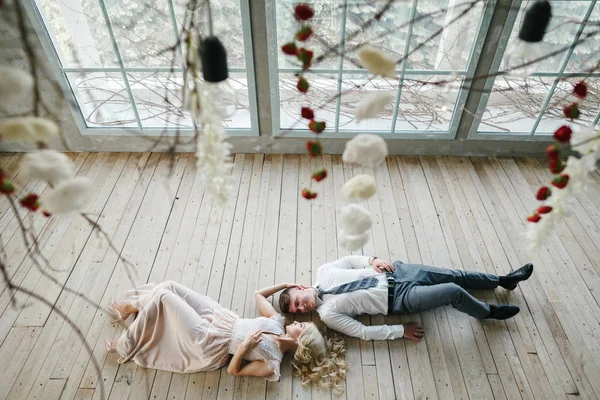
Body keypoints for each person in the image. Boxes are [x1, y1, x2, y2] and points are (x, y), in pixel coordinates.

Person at [104, 281, 347, 393]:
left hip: (210, 342)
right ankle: (133, 307)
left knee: (164, 299)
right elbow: (258, 295)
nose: (298, 323)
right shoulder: (277, 321)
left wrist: (244, 348)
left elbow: (234, 371)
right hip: (219, 318)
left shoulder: (271, 363)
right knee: (169, 287)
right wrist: (284, 284)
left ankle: (125, 342)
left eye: (302, 328)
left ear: (299, 342)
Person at [276, 256, 533, 341]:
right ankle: (487, 312)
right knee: (453, 291)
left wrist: (372, 260)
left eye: (298, 301)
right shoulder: (327, 315)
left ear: (300, 287)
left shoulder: (324, 270)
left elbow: (351, 260)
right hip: (400, 298)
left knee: (456, 274)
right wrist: (400, 330)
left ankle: (503, 280)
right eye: (299, 310)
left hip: (398, 272)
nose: (303, 306)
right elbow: (362, 332)